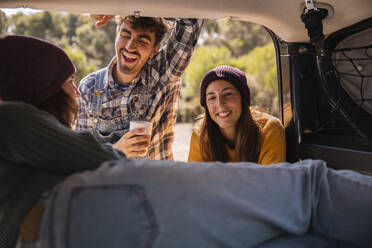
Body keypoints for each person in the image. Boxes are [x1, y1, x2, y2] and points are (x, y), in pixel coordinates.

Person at [1, 36, 372, 248]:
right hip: (72, 211)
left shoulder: (266, 127)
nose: (77, 93)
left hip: (57, 221)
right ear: (40, 87)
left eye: (228, 95)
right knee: (309, 189)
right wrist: (117, 151)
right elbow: (93, 157)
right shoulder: (10, 117)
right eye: (68, 83)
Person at [76, 15, 204, 160]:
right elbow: (81, 154)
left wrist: (125, 7)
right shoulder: (90, 87)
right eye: (125, 35)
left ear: (155, 49)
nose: (130, 47)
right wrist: (117, 150)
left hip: (154, 181)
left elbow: (190, 20)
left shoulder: (163, 73)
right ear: (116, 34)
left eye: (142, 41)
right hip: (110, 182)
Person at [188, 65, 286, 165]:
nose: (220, 103)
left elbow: (270, 179)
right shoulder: (200, 136)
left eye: (228, 94)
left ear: (243, 98)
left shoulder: (270, 129)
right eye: (212, 98)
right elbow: (196, 180)